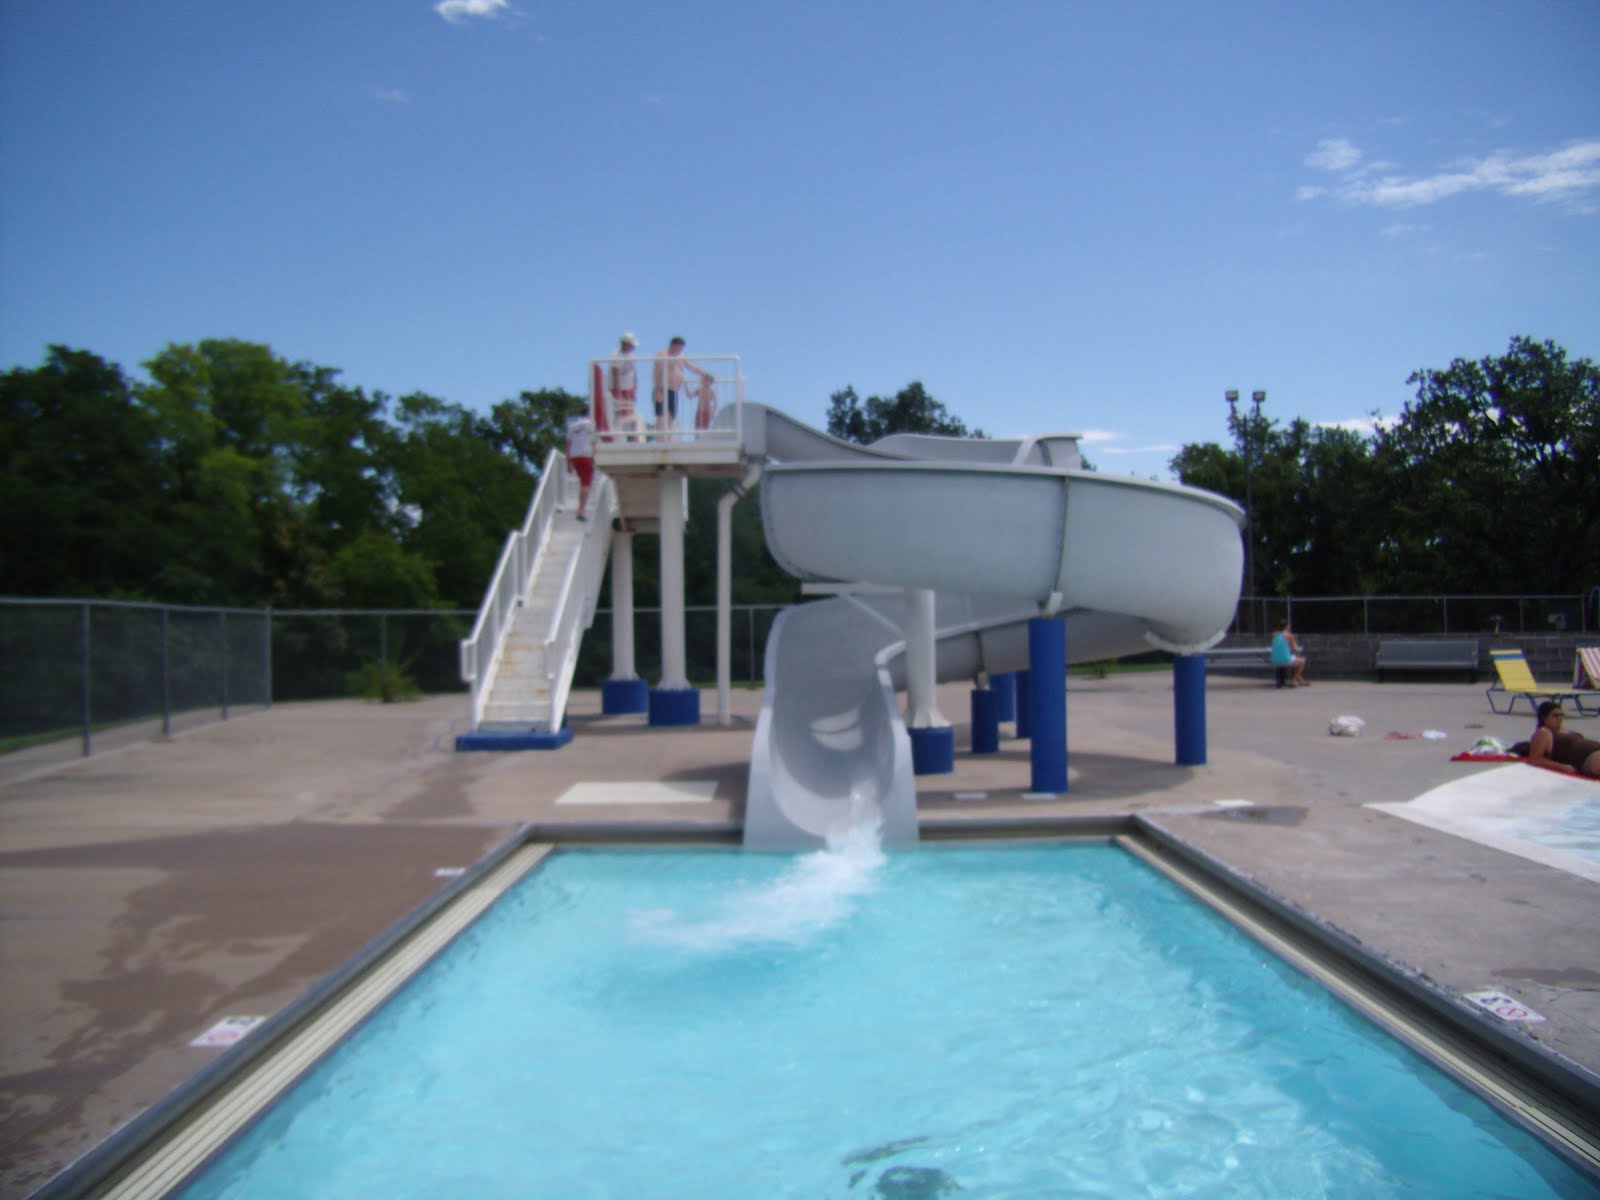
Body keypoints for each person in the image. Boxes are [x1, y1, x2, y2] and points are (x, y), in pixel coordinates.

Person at [651, 336, 711, 436]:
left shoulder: (681, 356)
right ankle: (660, 438)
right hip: (661, 388)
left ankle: (668, 437)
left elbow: (692, 368)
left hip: (673, 390)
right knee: (660, 415)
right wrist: (657, 389)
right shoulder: (662, 355)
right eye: (679, 348)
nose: (680, 350)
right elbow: (657, 372)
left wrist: (704, 374)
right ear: (673, 345)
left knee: (672, 415)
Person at [1528, 701, 1600, 778]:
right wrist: (1563, 767)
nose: (1559, 718)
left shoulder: (1566, 730)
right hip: (1586, 759)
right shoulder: (1544, 732)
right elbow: (1535, 759)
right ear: (1544, 717)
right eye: (1555, 716)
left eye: (1561, 715)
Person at [608, 331, 643, 440]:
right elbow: (615, 374)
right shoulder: (616, 355)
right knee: (619, 411)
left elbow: (633, 370)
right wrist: (617, 393)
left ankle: (634, 434)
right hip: (619, 388)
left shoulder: (631, 355)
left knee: (631, 410)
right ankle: (617, 434)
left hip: (629, 387)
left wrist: (635, 384)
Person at [564, 406, 595, 521]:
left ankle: (581, 507)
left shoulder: (572, 426)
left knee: (583, 481)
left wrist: (568, 462)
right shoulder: (591, 425)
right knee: (586, 484)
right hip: (586, 455)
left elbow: (567, 444)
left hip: (575, 456)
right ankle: (581, 510)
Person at [1270, 618, 1308, 687]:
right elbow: (1295, 648)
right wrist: (1296, 646)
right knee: (1302, 661)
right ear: (1287, 626)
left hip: (1274, 659)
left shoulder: (1274, 634)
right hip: (1286, 659)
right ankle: (1293, 680)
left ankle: (1301, 680)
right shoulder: (1289, 636)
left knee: (1295, 661)